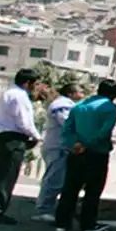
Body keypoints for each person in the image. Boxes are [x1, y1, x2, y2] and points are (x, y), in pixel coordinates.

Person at [54, 79, 116, 231]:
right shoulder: (109, 107)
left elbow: (67, 129)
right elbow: (105, 131)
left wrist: (75, 143)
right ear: (114, 94)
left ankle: (62, 222)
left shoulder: (79, 106)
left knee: (70, 187)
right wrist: (88, 144)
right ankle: (87, 225)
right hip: (97, 152)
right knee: (93, 190)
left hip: (76, 152)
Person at [0, 68, 41, 225]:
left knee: (2, 174)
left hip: (5, 136)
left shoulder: (8, 93)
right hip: (14, 138)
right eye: (35, 84)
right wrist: (36, 136)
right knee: (7, 176)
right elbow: (24, 121)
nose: (36, 87)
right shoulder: (20, 96)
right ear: (27, 83)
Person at [32, 83, 83, 222]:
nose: (82, 94)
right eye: (80, 91)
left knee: (57, 179)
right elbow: (67, 123)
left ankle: (48, 208)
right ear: (71, 93)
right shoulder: (62, 105)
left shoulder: (66, 104)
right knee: (53, 179)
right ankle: (43, 209)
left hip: (59, 147)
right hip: (57, 147)